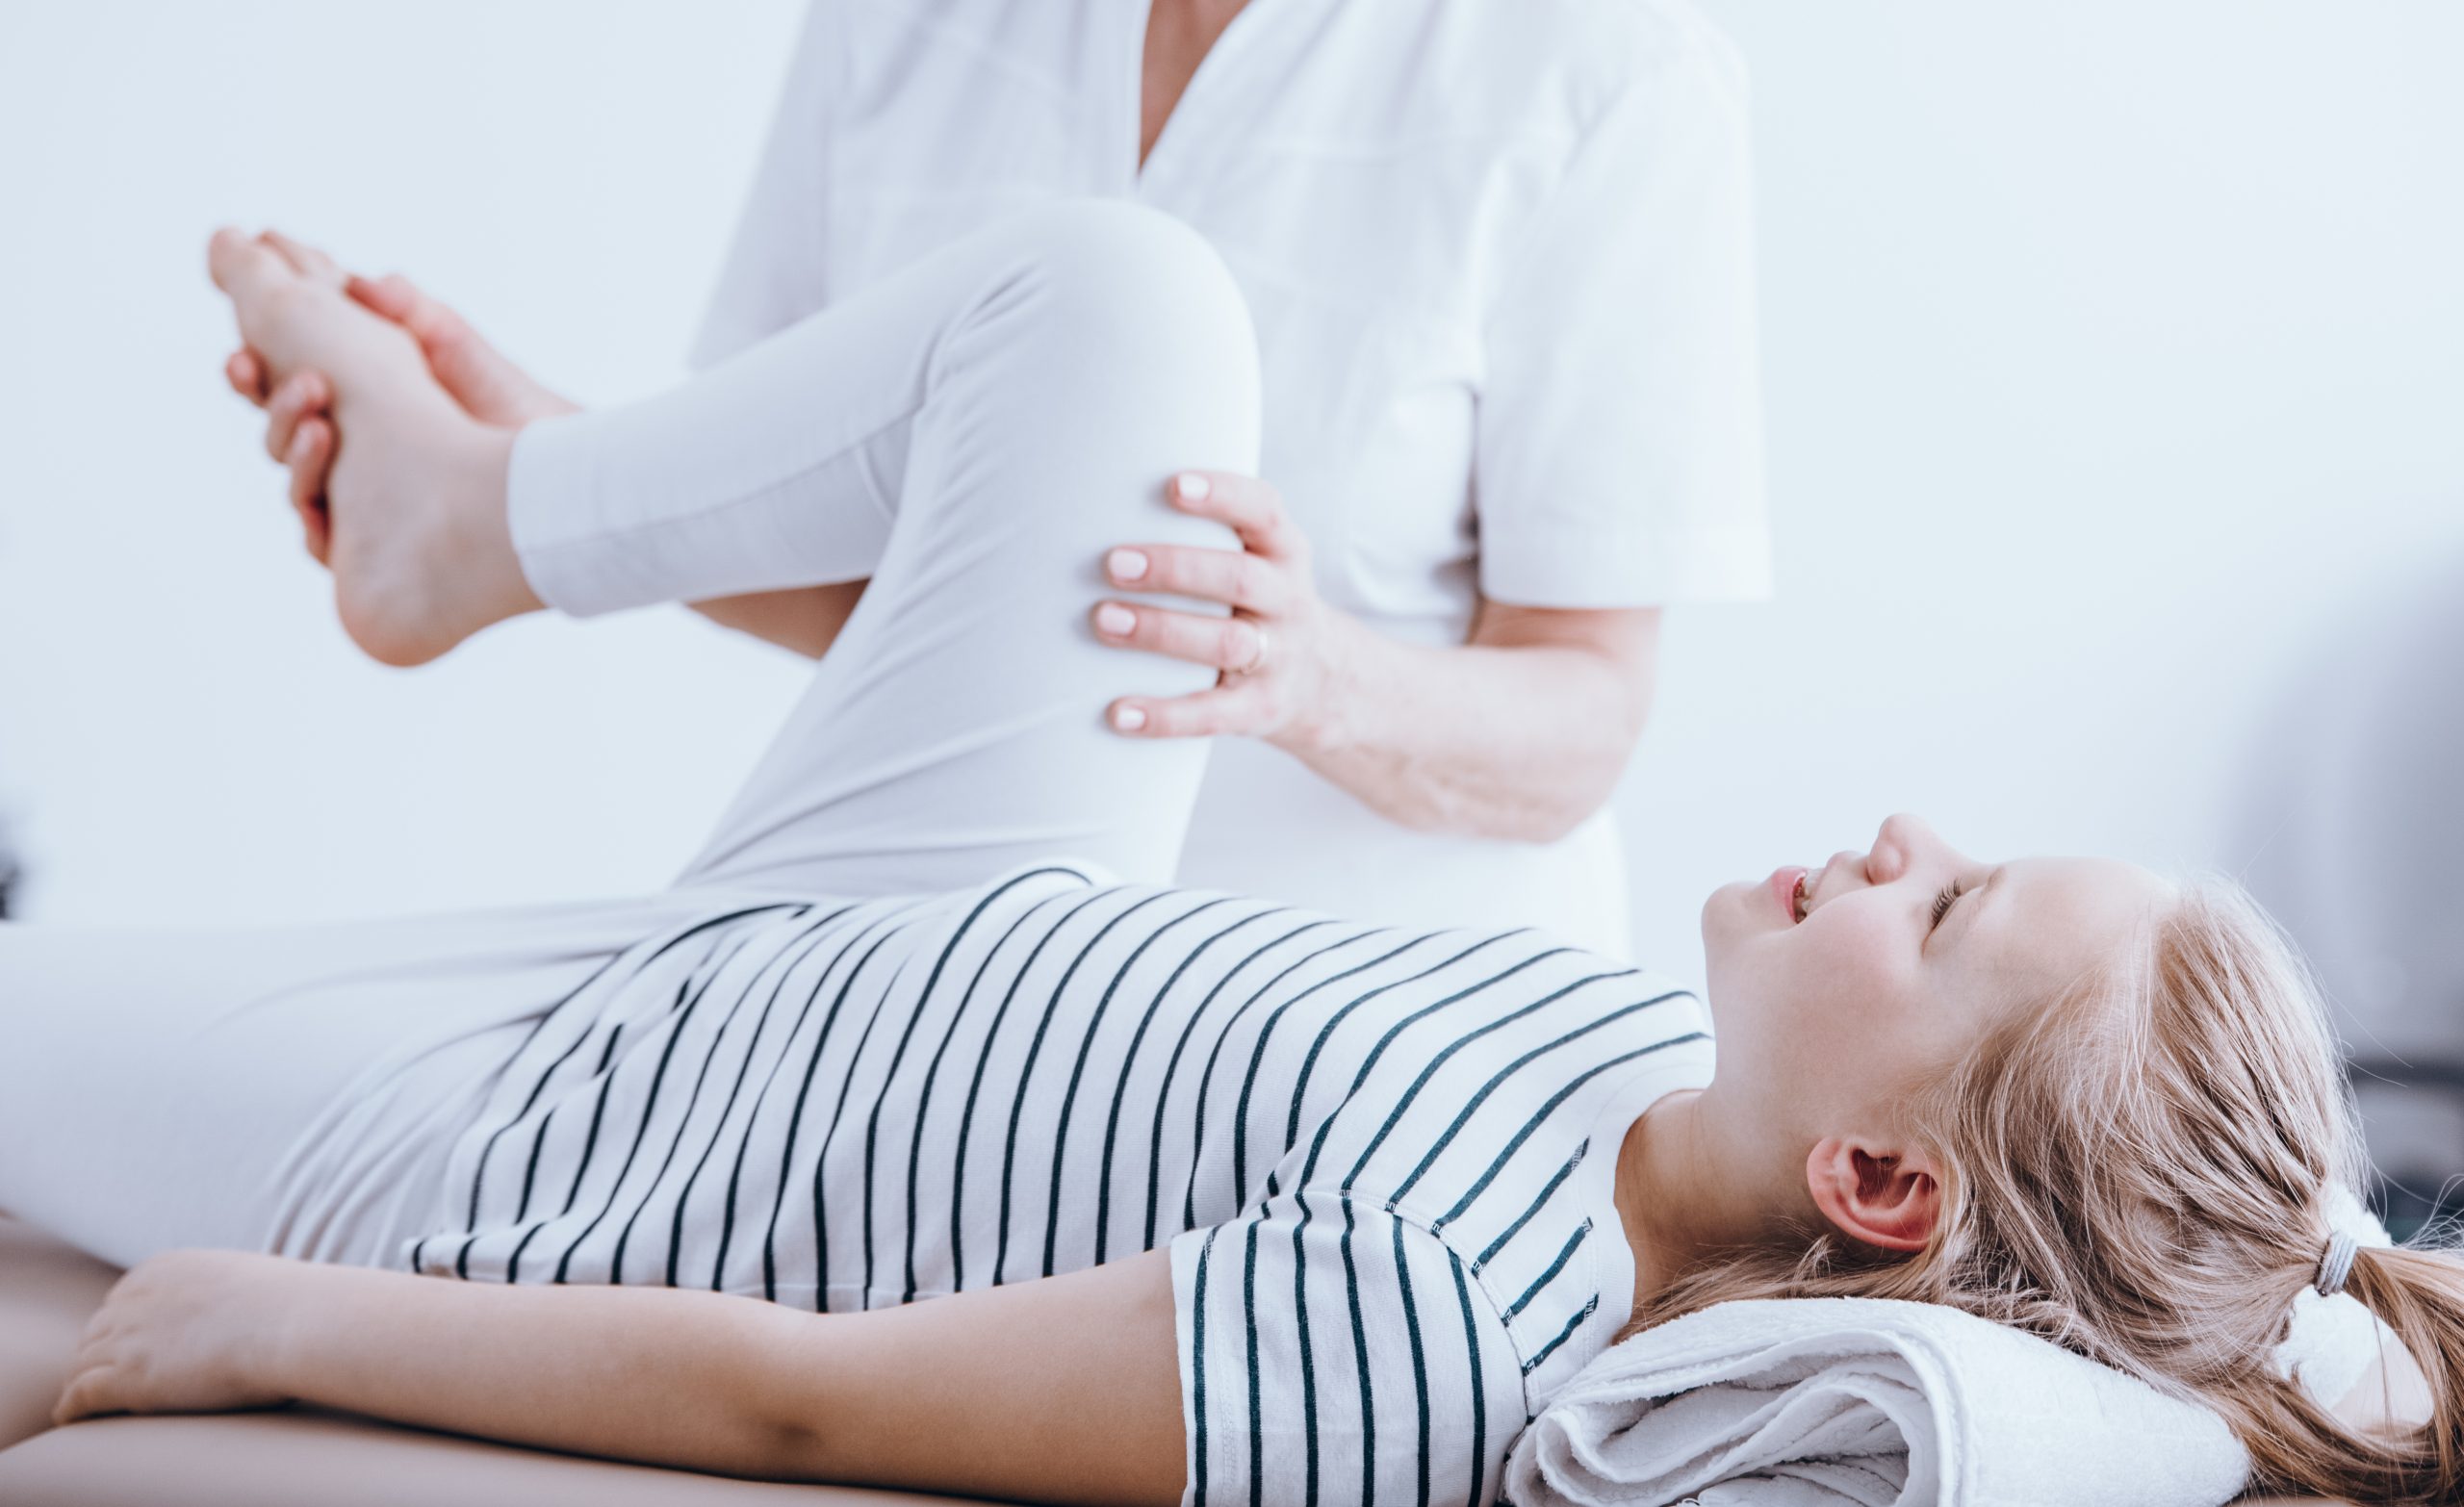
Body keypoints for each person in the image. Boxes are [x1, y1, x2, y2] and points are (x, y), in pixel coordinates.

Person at [10, 206, 2454, 1507]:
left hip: (575, 1136)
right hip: (920, 902)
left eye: (1944, 913)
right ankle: (479, 515)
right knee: (1119, 307)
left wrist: (271, 1321)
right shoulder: (1648, 1042)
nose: (1904, 840)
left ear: (1878, 1187)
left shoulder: (1434, 1333)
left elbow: (799, 1402)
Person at [226, 0, 1772, 958]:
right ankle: (491, 511)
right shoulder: (902, 20)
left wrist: (1312, 676)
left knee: (1121, 294)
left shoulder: (1605, 64)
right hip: (959, 977)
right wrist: (558, 448)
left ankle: (484, 519)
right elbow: (893, 583)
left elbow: (1583, 714)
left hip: (1365, 1009)